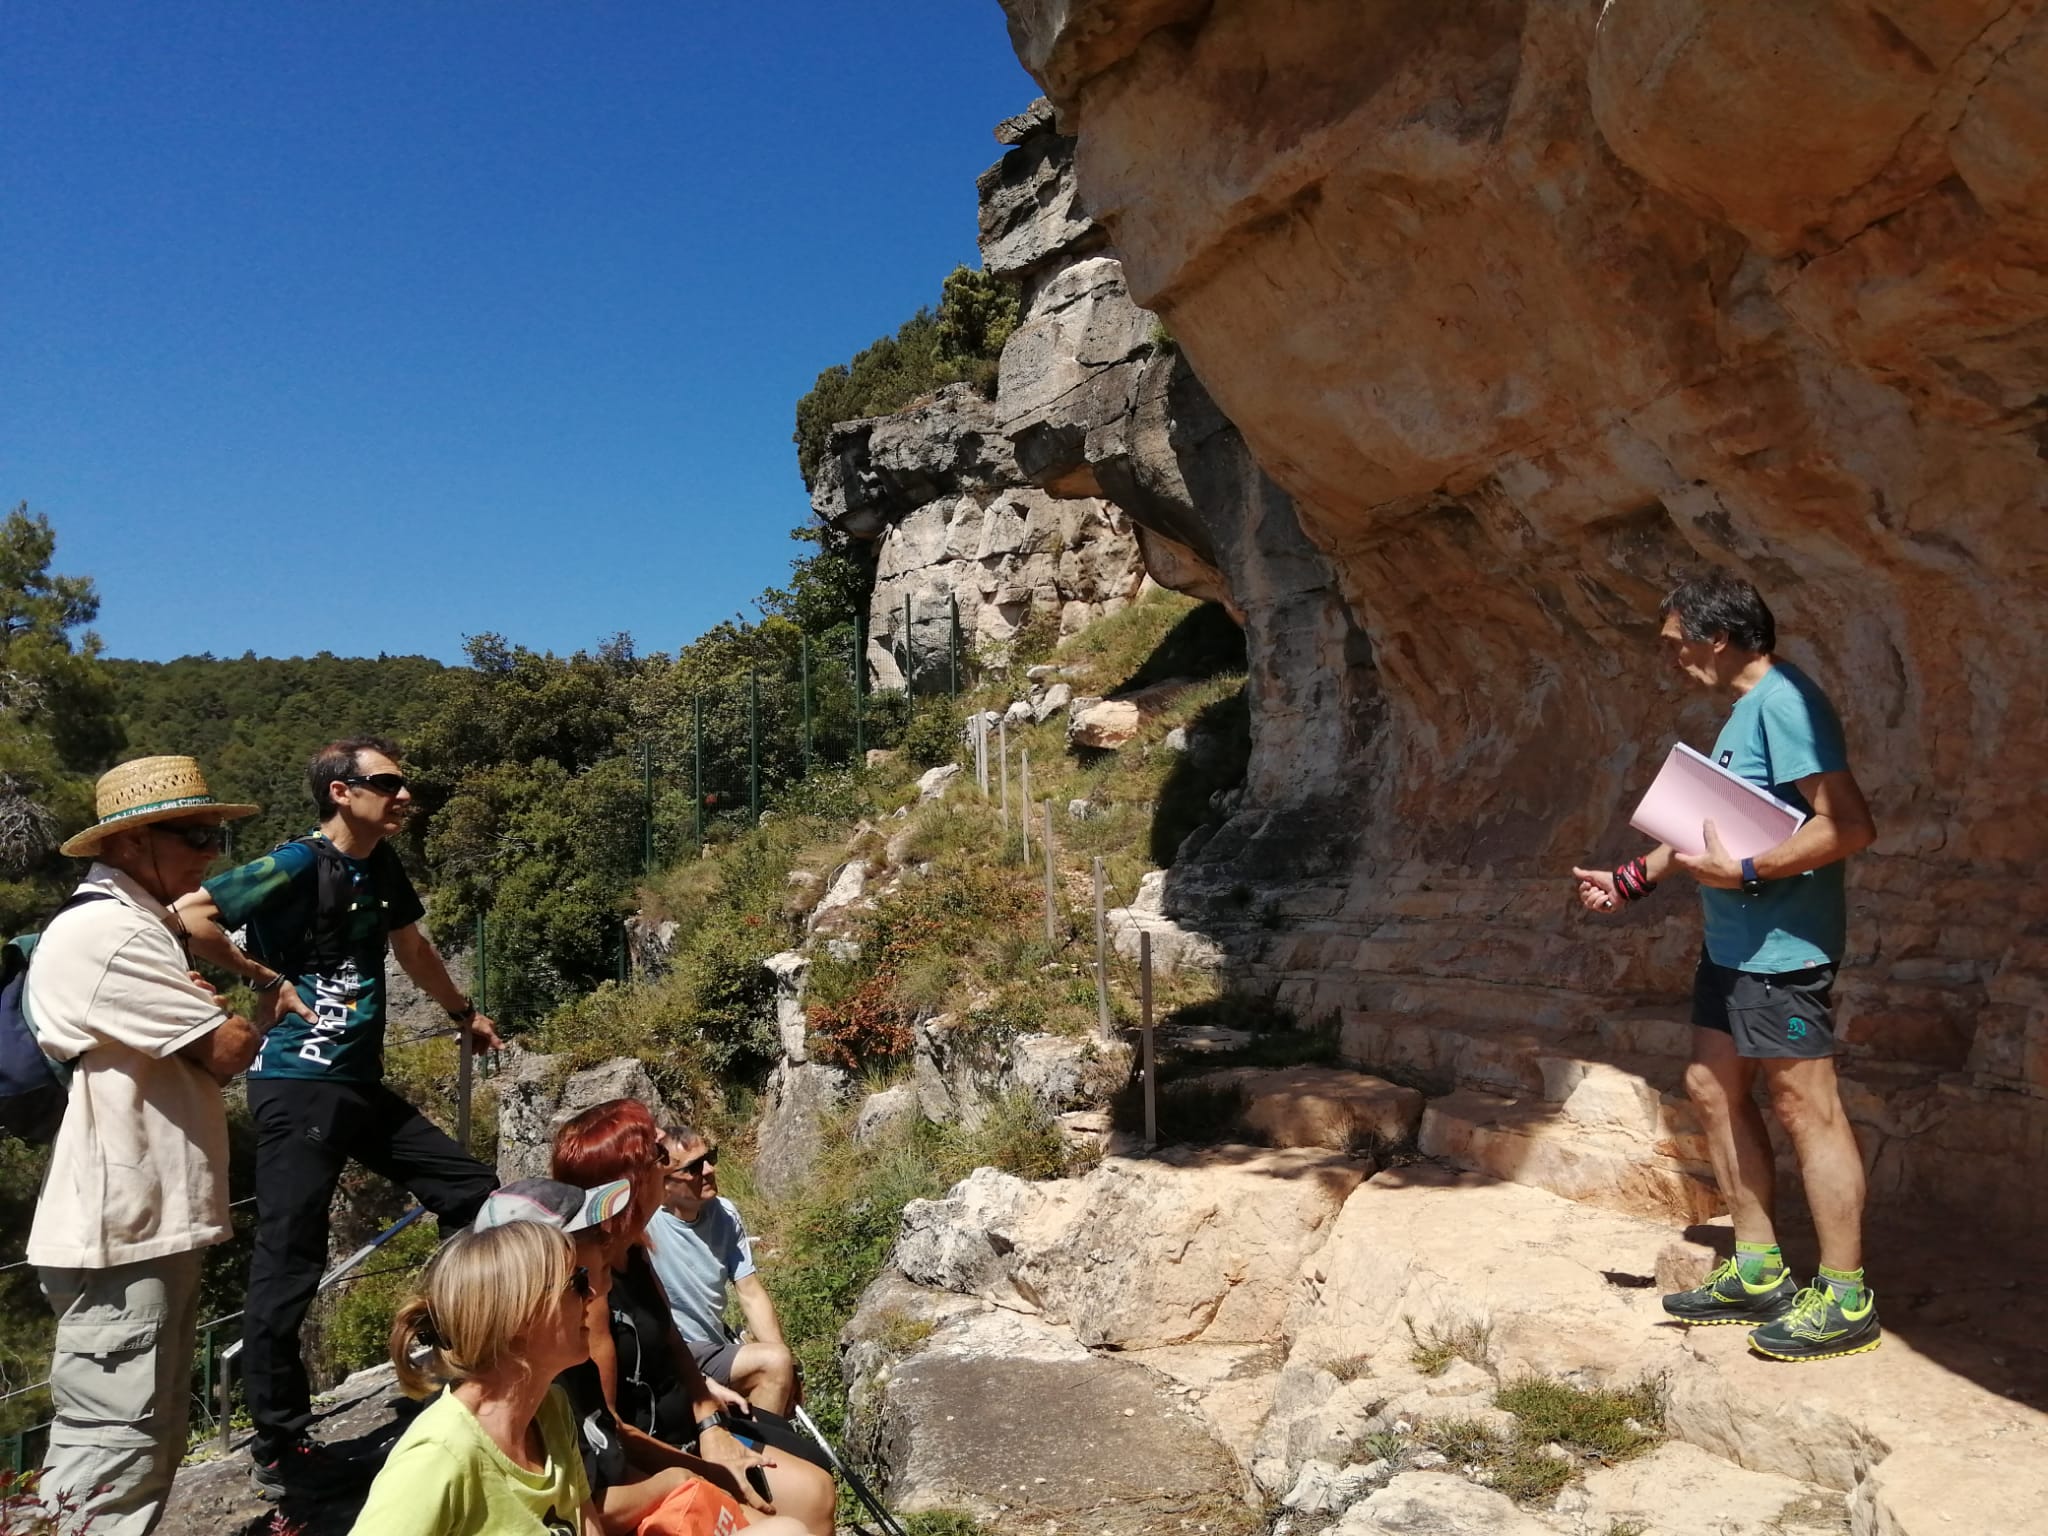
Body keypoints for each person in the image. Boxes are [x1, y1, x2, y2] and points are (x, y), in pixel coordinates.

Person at [173, 736, 503, 1495]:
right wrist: (261, 975)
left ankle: (456, 1350)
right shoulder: (295, 863)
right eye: (388, 784)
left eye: (402, 784)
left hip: (354, 1084)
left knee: (473, 1194)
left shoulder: (378, 863)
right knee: (290, 1261)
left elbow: (411, 946)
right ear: (340, 793)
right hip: (296, 1083)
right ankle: (281, 1445)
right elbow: (192, 914)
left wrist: (463, 1014)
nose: (404, 796)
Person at [1571, 570, 1880, 1362]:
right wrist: (1630, 881)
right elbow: (1704, 827)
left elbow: (1847, 826)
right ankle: (1758, 1270)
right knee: (1712, 1087)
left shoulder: (1785, 704)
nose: (1671, 658)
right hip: (1733, 946)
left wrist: (1749, 875)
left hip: (1783, 948)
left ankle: (1845, 1298)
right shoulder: (1746, 714)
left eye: (1675, 644)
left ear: (1717, 636)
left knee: (1806, 1104)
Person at [27, 757, 266, 1536]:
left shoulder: (141, 928)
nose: (211, 853)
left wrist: (208, 1017)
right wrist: (252, 1004)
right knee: (113, 1450)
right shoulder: (106, 931)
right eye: (194, 834)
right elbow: (227, 1049)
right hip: (121, 1231)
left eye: (215, 833)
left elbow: (207, 1041)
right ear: (130, 843)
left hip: (141, 1224)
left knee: (148, 1441)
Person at [551, 1101, 838, 1536]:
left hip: (687, 1428)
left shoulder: (633, 1248)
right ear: (633, 1182)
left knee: (816, 1491)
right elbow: (612, 1429)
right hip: (648, 1459)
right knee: (780, 1524)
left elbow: (672, 1340)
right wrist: (706, 1468)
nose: (668, 1168)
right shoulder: (589, 1287)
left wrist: (708, 1420)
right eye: (659, 1159)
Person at [471, 1178, 808, 1536]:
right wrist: (684, 1475)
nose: (605, 1242)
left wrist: (704, 1440)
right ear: (528, 1298)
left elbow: (590, 1492)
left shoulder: (555, 1393)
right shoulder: (469, 1437)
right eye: (579, 1281)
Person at [347, 1219, 600, 1536]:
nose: (591, 1293)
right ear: (521, 1313)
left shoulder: (551, 1408)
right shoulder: (438, 1455)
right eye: (577, 1281)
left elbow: (586, 1523)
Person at [645, 1129, 795, 1417]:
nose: (709, 1170)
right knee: (774, 1363)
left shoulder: (724, 1214)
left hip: (710, 1347)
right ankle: (765, 1452)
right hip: (674, 1350)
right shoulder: (646, 1225)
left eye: (709, 1158)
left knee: (778, 1362)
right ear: (663, 1186)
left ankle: (762, 1448)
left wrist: (787, 1367)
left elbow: (749, 1291)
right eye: (693, 1168)